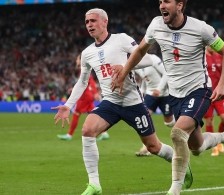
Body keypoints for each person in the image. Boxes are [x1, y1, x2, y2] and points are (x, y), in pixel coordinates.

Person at [51, 8, 192, 195]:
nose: (90, 25)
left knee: (153, 146)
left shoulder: (121, 39)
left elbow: (148, 59)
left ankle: (180, 162)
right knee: (87, 130)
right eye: (87, 22)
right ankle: (94, 185)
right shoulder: (87, 53)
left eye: (93, 21)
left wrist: (126, 66)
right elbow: (83, 81)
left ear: (104, 22)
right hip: (110, 102)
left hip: (133, 103)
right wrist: (68, 105)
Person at [111, 1, 224, 194]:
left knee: (177, 134)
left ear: (180, 5)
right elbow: (140, 50)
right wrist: (123, 73)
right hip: (175, 95)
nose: (162, 5)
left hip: (199, 90)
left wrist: (221, 84)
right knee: (196, 146)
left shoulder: (201, 28)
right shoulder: (155, 25)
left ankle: (175, 189)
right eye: (160, 1)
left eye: (167, 1)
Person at [57, 54, 110, 141]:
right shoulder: (83, 69)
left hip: (84, 97)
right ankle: (104, 133)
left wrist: (95, 92)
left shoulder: (84, 69)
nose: (76, 61)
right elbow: (88, 81)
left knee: (76, 114)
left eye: (77, 59)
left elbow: (89, 81)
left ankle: (69, 135)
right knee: (95, 114)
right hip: (87, 96)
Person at [134, 54, 176, 156]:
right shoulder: (135, 64)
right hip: (150, 94)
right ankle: (147, 147)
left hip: (164, 93)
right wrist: (142, 92)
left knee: (169, 123)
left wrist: (159, 89)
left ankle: (187, 132)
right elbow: (145, 79)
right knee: (145, 117)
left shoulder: (153, 59)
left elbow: (166, 73)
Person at [204, 46, 224, 156]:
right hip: (206, 94)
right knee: (209, 120)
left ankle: (220, 139)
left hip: (220, 93)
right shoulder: (202, 57)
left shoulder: (220, 56)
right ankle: (214, 146)